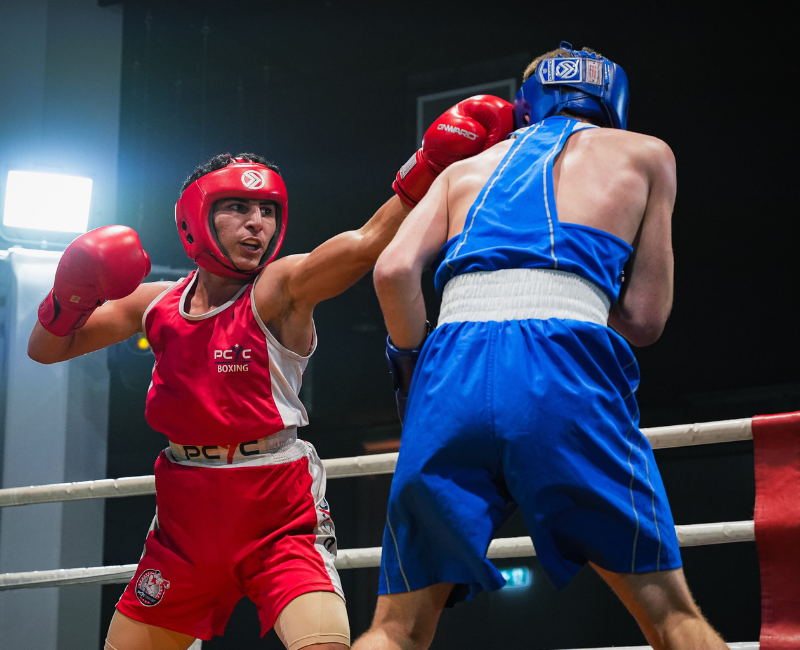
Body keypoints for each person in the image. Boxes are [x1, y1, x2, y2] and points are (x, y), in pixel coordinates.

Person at [27, 95, 513, 650]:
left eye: (268, 211)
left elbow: (364, 245)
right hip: (185, 515)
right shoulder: (156, 303)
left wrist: (426, 166)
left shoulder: (277, 289)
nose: (257, 224)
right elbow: (47, 349)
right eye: (237, 207)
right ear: (196, 217)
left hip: (277, 511)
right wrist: (71, 293)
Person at [353, 43, 728, 650]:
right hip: (565, 361)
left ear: (523, 102)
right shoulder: (646, 154)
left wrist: (413, 372)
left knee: (395, 630)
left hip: (451, 368)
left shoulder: (460, 171)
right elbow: (645, 318)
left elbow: (392, 272)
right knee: (672, 618)